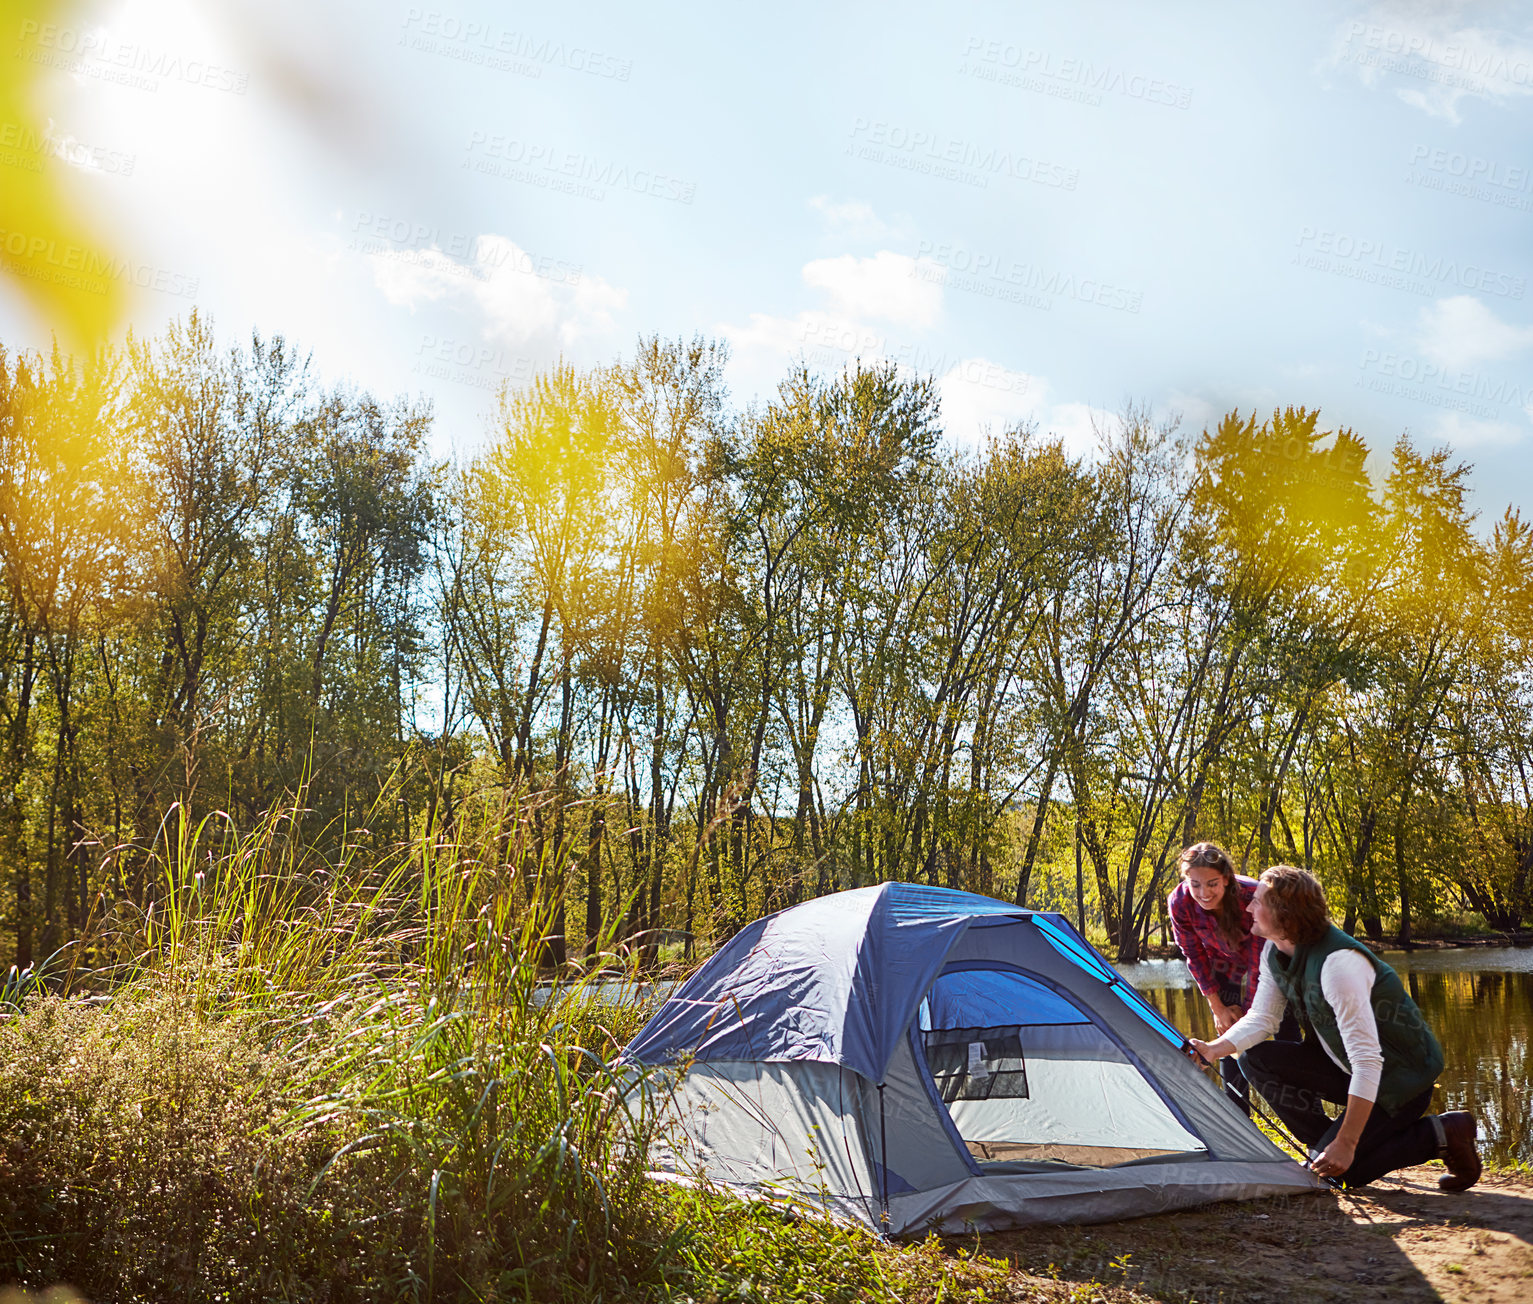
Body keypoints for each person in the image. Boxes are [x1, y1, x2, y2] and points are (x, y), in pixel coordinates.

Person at [1191, 865, 1480, 1191]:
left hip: (1400, 1081)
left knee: (1345, 1173)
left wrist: (1347, 1141)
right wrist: (1214, 1049)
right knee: (1254, 1059)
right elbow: (1263, 1019)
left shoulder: (1338, 965)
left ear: (1286, 915)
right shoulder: (1276, 949)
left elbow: (1369, 1061)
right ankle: (1323, 1150)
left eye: (1257, 902)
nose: (1247, 907)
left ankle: (1443, 1133)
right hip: (1348, 1069)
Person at [1168, 842, 1294, 1113]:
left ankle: (1308, 1124)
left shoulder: (1253, 897)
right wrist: (1218, 1008)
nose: (1203, 893)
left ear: (1226, 878)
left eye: (1212, 883)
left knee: (1286, 1036)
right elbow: (1194, 954)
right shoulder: (1179, 903)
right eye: (1195, 884)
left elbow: (1259, 962)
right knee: (1227, 1031)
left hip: (1275, 965)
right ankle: (1241, 1122)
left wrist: (1249, 1019)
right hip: (1223, 968)